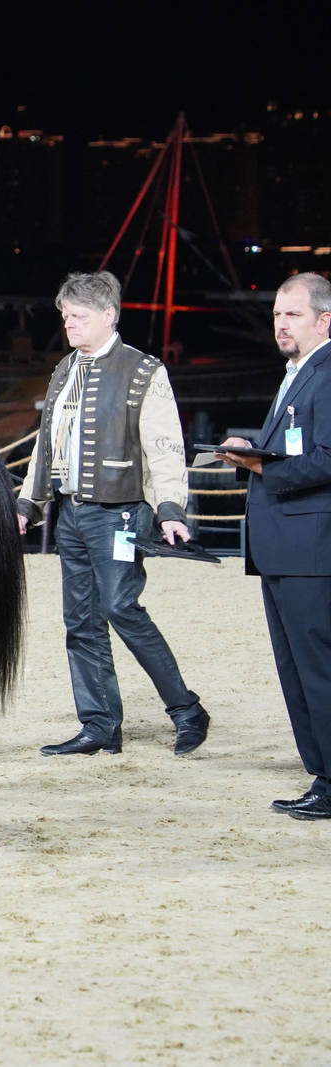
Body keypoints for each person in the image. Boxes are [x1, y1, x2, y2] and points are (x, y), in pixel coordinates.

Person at [16, 271, 210, 757]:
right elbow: (47, 442)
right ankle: (100, 726)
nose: (69, 325)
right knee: (80, 620)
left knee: (121, 607)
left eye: (78, 317)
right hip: (72, 513)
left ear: (109, 315)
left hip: (120, 514)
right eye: (65, 317)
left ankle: (186, 709)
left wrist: (170, 508)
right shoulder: (64, 368)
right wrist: (28, 502)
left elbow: (165, 446)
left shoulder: (143, 371)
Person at [217, 272, 331, 820]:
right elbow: (297, 447)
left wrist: (260, 463)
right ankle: (321, 775)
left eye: (293, 315)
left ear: (324, 320)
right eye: (278, 315)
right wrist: (252, 447)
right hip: (284, 547)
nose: (281, 324)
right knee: (296, 670)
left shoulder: (328, 373)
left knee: (318, 669)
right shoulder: (298, 373)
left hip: (311, 549)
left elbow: (329, 458)